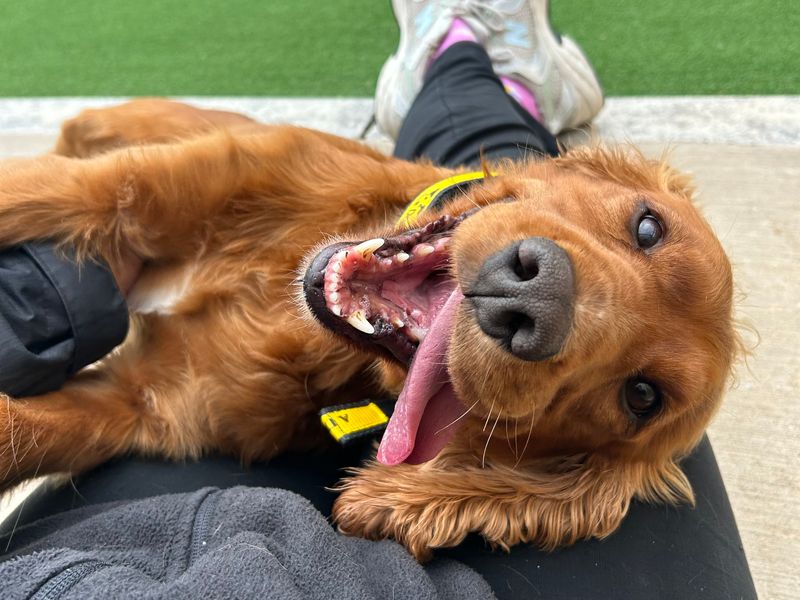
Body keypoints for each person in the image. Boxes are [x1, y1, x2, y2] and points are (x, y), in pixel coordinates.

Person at [0, 1, 757, 598]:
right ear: (598, 170)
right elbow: (86, 189)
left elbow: (118, 415)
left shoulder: (272, 420)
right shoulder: (294, 170)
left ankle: (467, 61)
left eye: (641, 396)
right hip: (423, 194)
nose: (548, 297)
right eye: (647, 228)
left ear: (567, 467)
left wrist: (454, 490)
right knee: (103, 131)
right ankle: (479, 63)